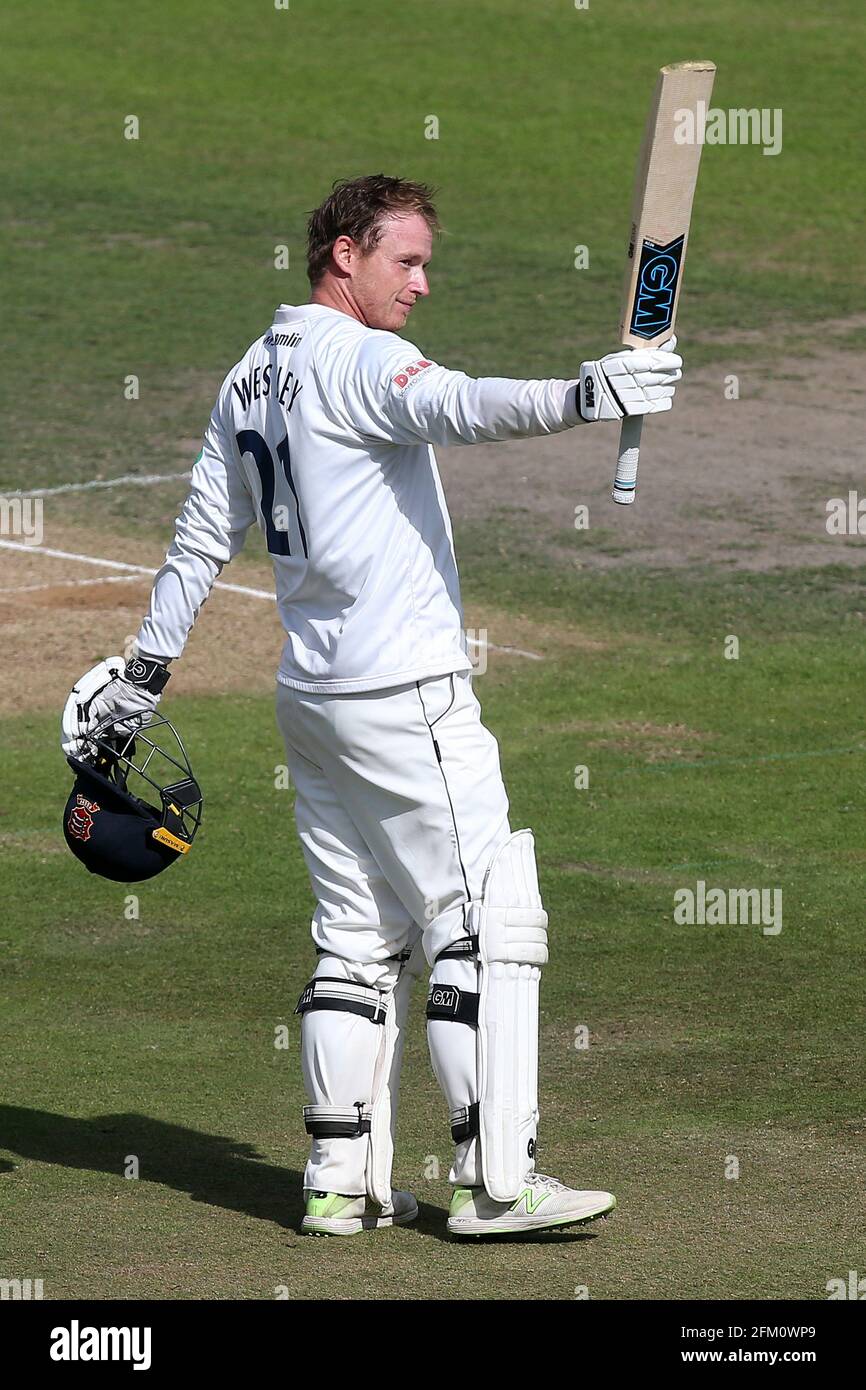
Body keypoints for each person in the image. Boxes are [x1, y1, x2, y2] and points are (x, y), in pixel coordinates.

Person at [62, 175, 682, 1237]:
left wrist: (144, 679)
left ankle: (337, 1186)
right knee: (481, 924)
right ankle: (497, 1183)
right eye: (406, 260)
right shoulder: (360, 361)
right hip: (406, 696)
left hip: (312, 701)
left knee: (353, 938)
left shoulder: (248, 377)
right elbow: (455, 403)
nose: (422, 283)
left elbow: (200, 540)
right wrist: (588, 394)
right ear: (342, 256)